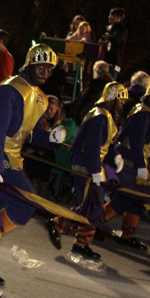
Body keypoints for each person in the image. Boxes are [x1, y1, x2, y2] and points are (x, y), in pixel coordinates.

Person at [0, 44, 65, 286]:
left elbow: (26, 133)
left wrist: (50, 138)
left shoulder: (39, 97)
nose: (45, 72)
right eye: (41, 66)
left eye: (49, 69)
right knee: (26, 203)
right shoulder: (10, 89)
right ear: (30, 64)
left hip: (11, 156)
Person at [47, 83, 128, 258]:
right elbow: (92, 146)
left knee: (93, 205)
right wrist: (96, 171)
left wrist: (114, 156)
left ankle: (81, 242)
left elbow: (103, 145)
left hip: (91, 163)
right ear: (113, 98)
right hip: (87, 164)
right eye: (121, 99)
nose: (122, 103)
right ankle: (58, 223)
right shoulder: (100, 116)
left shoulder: (104, 115)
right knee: (90, 205)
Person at [102, 81, 150, 251]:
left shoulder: (142, 110)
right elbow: (136, 141)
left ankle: (128, 234)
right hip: (130, 161)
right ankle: (94, 223)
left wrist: (148, 152)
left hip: (131, 158)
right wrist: (140, 165)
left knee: (137, 199)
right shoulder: (144, 113)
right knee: (126, 197)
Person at [100, 8, 127, 78]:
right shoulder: (108, 29)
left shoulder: (121, 30)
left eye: (112, 16)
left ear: (118, 17)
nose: (109, 17)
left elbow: (115, 38)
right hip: (105, 60)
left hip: (114, 61)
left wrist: (105, 37)